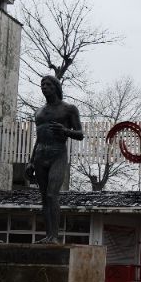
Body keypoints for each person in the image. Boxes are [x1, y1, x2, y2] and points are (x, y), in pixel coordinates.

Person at [26, 75, 83, 243]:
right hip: (40, 155)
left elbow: (80, 134)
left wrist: (65, 131)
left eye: (48, 84)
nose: (44, 87)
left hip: (57, 154)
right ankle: (48, 236)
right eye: (42, 84)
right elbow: (38, 138)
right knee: (44, 198)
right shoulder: (38, 112)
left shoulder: (69, 109)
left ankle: (55, 236)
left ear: (56, 87)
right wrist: (30, 161)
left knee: (52, 195)